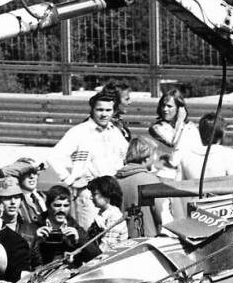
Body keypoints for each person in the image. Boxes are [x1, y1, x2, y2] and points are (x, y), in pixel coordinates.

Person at [48, 91, 128, 231]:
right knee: (89, 238)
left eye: (108, 110)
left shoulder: (115, 132)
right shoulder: (79, 131)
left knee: (111, 237)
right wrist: (70, 180)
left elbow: (125, 157)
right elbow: (54, 157)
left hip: (111, 194)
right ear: (92, 110)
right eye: (100, 110)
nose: (104, 114)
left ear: (114, 111)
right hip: (89, 195)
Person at [30, 185, 100, 267]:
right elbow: (24, 260)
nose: (62, 210)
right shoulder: (35, 227)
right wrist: (35, 241)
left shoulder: (74, 228)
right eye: (57, 205)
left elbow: (97, 258)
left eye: (66, 206)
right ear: (48, 206)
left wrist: (79, 241)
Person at [116, 136, 166, 238]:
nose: (155, 158)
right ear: (147, 157)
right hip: (146, 240)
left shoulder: (114, 180)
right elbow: (163, 215)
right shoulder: (150, 181)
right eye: (154, 154)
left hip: (119, 241)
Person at [148, 88, 201, 174]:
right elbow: (173, 144)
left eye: (169, 106)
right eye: (163, 105)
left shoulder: (191, 128)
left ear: (180, 108)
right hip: (164, 174)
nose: (165, 109)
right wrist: (180, 122)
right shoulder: (156, 128)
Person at [178, 113, 233, 181]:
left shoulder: (185, 157)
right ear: (222, 134)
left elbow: (180, 185)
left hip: (194, 191)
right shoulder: (230, 154)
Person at [0, 158, 47, 225]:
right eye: (27, 173)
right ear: (17, 175)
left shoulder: (43, 198)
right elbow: (4, 171)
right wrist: (32, 166)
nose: (32, 176)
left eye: (35, 172)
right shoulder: (14, 198)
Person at [86, 176, 128, 252]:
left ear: (106, 193)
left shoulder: (114, 216)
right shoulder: (103, 213)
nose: (91, 198)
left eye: (94, 194)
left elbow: (106, 247)